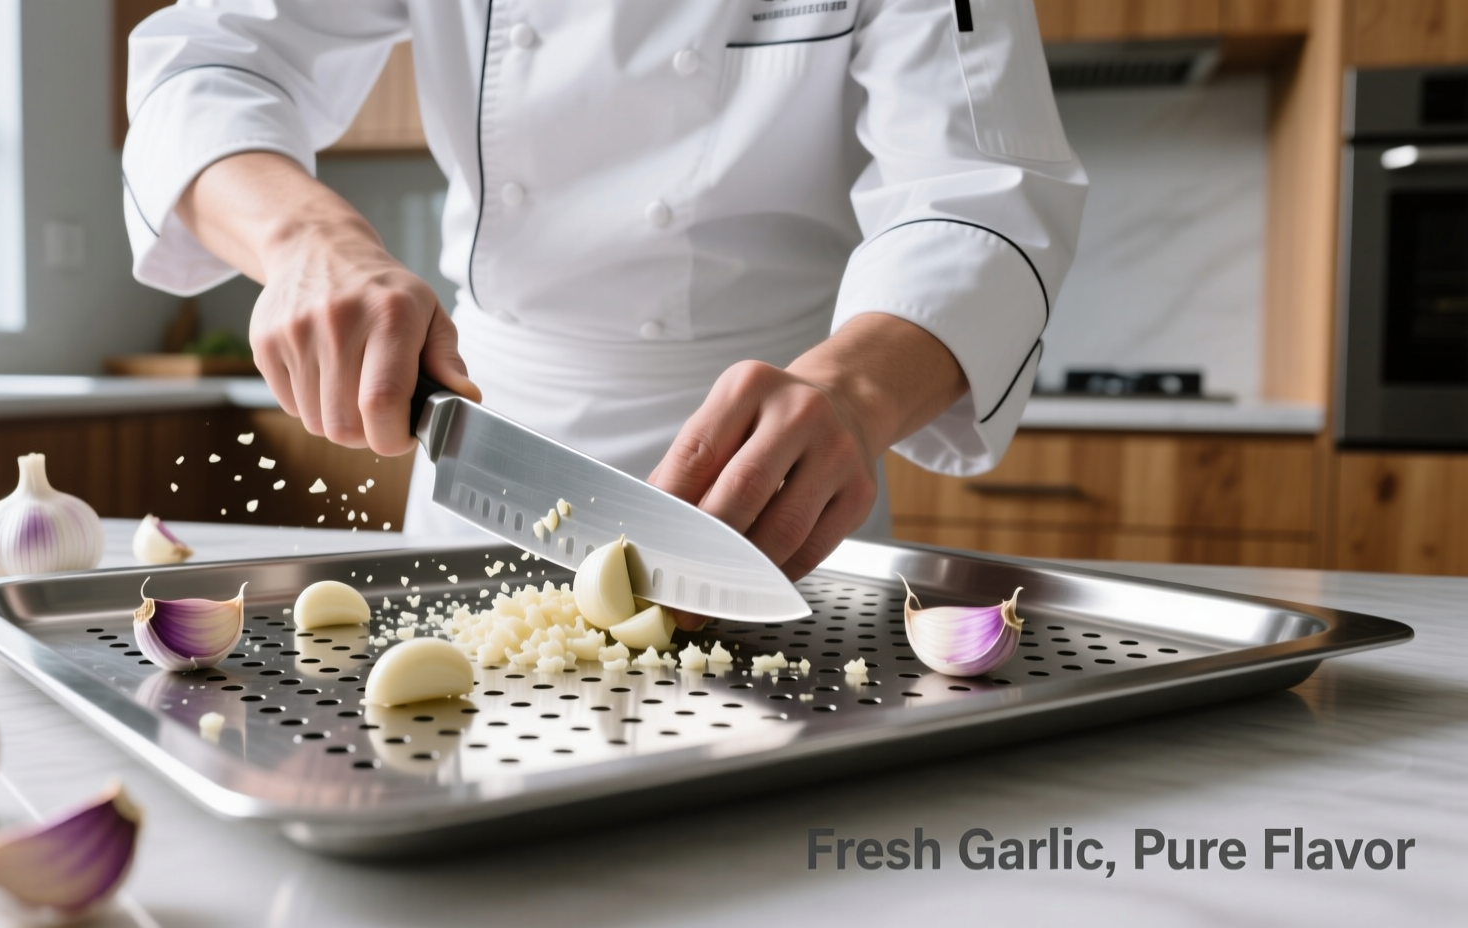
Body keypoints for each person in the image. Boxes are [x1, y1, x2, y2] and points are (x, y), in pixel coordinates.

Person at [123, 0, 1086, 594]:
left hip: (788, 470)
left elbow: (980, 183)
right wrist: (306, 239)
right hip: (496, 439)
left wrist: (857, 393)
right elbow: (208, 64)